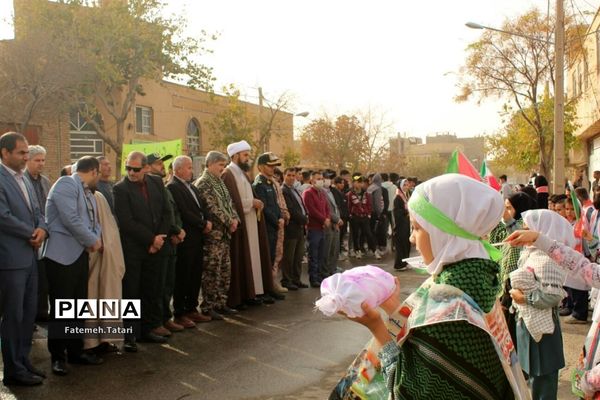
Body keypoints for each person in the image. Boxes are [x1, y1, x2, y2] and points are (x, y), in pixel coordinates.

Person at [342, 174, 524, 399]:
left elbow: (407, 389)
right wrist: (393, 309)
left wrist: (376, 326)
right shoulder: (478, 277)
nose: (411, 239)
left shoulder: (448, 303)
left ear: (444, 233)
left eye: (417, 227)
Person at [45, 156, 104, 375]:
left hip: (79, 256)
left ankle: (75, 351)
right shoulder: (66, 183)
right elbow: (70, 218)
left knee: (77, 307)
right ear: (94, 171)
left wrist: (94, 238)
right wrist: (92, 240)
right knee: (61, 309)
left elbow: (94, 222)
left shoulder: (88, 193)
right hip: (61, 257)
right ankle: (58, 357)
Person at [114, 151, 175, 352]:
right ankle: (130, 335)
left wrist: (159, 238)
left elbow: (167, 213)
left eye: (136, 169)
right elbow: (126, 221)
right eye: (128, 168)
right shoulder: (120, 189)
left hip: (157, 246)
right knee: (132, 292)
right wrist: (151, 239)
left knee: (152, 288)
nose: (131, 172)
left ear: (146, 168)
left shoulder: (156, 183)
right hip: (134, 249)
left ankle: (148, 329)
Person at [0, 132, 47, 386]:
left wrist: (43, 229)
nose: (25, 157)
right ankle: (13, 370)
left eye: (27, 152)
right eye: (21, 152)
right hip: (10, 260)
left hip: (30, 257)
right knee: (13, 316)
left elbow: (38, 210)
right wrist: (31, 232)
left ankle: (23, 361)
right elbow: (3, 216)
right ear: (5, 153)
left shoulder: (25, 179)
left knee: (28, 316)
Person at [509, 209, 569, 400]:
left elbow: (552, 296)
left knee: (543, 378)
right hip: (528, 325)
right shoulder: (530, 253)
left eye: (527, 228)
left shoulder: (548, 259)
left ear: (542, 230)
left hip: (543, 331)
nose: (522, 231)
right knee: (534, 376)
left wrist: (524, 298)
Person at [221, 140, 277, 308]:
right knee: (242, 260)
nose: (248, 158)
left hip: (251, 221)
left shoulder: (242, 174)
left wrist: (254, 202)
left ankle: (253, 293)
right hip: (241, 225)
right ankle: (242, 296)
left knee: (253, 259)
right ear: (235, 156)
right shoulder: (228, 173)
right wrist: (251, 202)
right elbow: (232, 200)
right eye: (245, 155)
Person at [165, 155, 212, 327]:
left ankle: (192, 308)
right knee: (183, 276)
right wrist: (202, 223)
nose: (192, 171)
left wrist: (207, 219)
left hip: (198, 237)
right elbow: (184, 212)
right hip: (187, 238)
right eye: (189, 167)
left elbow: (202, 206)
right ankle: (180, 312)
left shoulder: (191, 186)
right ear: (177, 170)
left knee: (195, 275)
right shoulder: (173, 187)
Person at [194, 152, 240, 319]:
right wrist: (229, 220)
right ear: (211, 164)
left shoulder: (219, 182)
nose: (223, 168)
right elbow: (211, 207)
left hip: (224, 235)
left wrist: (235, 218)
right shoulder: (204, 183)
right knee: (212, 272)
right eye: (220, 165)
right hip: (213, 236)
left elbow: (229, 203)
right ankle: (208, 306)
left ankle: (221, 303)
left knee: (224, 270)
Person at [83, 180, 126, 353]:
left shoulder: (98, 196)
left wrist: (104, 245)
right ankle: (90, 343)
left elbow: (108, 227)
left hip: (102, 254)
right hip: (89, 257)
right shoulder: (78, 196)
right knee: (90, 298)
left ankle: (104, 339)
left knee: (106, 296)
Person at [488, 191, 536, 343]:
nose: (505, 212)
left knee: (511, 329)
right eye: (505, 208)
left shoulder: (524, 227)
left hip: (515, 285)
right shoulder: (502, 228)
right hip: (502, 282)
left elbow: (515, 232)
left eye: (509, 208)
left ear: (520, 209)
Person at [148, 153, 187, 334]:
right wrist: (174, 231)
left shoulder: (162, 187)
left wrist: (178, 230)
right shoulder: (151, 188)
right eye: (157, 164)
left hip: (172, 243)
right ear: (147, 167)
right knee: (158, 285)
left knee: (168, 284)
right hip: (161, 242)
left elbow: (174, 213)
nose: (162, 166)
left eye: (162, 163)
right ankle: (157, 321)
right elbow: (160, 215)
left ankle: (165, 318)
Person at [252, 152, 287, 294]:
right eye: (270, 165)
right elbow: (264, 206)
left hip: (275, 225)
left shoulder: (270, 183)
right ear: (260, 167)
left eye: (274, 166)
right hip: (267, 226)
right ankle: (267, 288)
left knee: (273, 256)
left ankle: (271, 285)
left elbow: (275, 204)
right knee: (266, 257)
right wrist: (276, 219)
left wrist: (281, 217)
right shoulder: (259, 184)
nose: (273, 168)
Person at [24, 145, 51, 322]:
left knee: (43, 277)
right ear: (28, 160)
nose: (41, 163)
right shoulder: (21, 180)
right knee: (27, 280)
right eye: (37, 160)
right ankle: (28, 316)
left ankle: (41, 311)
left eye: (43, 160)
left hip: (45, 233)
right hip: (27, 235)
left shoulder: (45, 181)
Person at [281, 167, 308, 290]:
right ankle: (287, 280)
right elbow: (291, 209)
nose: (292, 178)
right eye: (289, 175)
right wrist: (304, 219)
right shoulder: (284, 190)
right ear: (284, 176)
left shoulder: (295, 190)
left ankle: (296, 279)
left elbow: (301, 206)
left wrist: (305, 216)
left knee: (298, 256)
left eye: (293, 175)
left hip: (300, 227)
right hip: (291, 228)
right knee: (289, 257)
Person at [302, 170, 331, 287]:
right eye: (318, 178)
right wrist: (323, 219)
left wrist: (327, 218)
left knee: (321, 254)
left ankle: (319, 276)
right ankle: (313, 278)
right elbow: (311, 210)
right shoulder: (308, 193)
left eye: (321, 178)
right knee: (313, 255)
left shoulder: (322, 193)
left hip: (323, 228)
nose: (321, 181)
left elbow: (327, 208)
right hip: (313, 228)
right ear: (312, 180)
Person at [347, 176, 376, 259]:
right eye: (356, 182)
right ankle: (357, 250)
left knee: (368, 233)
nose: (359, 184)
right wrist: (350, 214)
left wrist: (368, 213)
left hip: (365, 217)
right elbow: (349, 205)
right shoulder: (350, 194)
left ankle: (374, 250)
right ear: (353, 183)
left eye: (360, 182)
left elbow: (369, 204)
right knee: (355, 234)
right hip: (355, 217)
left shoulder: (366, 193)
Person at [392, 179, 411, 271]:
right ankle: (399, 264)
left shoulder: (405, 195)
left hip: (406, 223)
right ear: (400, 186)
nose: (406, 187)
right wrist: (406, 211)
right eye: (404, 185)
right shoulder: (398, 197)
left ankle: (405, 262)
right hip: (400, 225)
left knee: (406, 243)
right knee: (401, 244)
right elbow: (397, 212)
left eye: (407, 185)